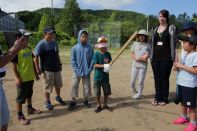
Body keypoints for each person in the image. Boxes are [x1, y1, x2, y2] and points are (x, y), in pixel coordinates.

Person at [12, 29, 41, 125]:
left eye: (28, 38)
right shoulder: (16, 51)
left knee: (29, 94)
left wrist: (36, 73)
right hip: (22, 79)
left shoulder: (28, 49)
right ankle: (20, 115)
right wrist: (17, 78)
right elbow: (14, 67)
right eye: (25, 38)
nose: (28, 40)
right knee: (20, 98)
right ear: (18, 39)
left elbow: (32, 62)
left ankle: (30, 108)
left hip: (30, 77)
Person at [150, 9, 177, 106]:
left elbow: (174, 44)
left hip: (167, 58)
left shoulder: (171, 28)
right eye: (160, 16)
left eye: (163, 16)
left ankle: (164, 98)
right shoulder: (154, 28)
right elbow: (151, 43)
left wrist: (175, 59)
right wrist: (149, 55)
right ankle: (157, 97)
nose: (161, 18)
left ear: (167, 17)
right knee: (157, 78)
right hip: (155, 58)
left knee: (164, 78)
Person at [0, 35, 28, 131]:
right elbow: (2, 62)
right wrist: (16, 48)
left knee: (4, 121)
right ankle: (20, 115)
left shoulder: (28, 49)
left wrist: (15, 47)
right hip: (20, 79)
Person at [34, 26, 65, 110]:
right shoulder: (41, 44)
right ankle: (47, 101)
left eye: (52, 33)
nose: (52, 35)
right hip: (47, 69)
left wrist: (60, 64)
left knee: (58, 84)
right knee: (47, 86)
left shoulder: (54, 43)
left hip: (56, 68)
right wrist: (38, 68)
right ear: (45, 34)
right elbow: (36, 56)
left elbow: (57, 54)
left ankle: (58, 97)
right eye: (50, 33)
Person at [173, 34, 197, 131]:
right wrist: (177, 66)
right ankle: (183, 117)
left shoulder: (195, 55)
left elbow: (195, 71)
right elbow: (182, 67)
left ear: (193, 45)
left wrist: (181, 66)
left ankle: (193, 123)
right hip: (182, 83)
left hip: (189, 85)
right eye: (182, 42)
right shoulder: (187, 54)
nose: (183, 45)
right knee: (183, 102)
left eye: (185, 43)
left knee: (191, 105)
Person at [69, 30, 94, 110]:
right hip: (77, 71)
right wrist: (76, 70)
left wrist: (90, 69)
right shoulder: (74, 48)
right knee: (74, 85)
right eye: (82, 36)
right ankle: (73, 101)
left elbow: (92, 60)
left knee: (86, 86)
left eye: (86, 37)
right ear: (79, 37)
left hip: (87, 71)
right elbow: (73, 60)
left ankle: (86, 100)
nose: (84, 38)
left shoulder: (90, 48)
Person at [174, 21, 197, 105]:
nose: (185, 31)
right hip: (184, 63)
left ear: (192, 29)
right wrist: (178, 62)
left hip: (192, 64)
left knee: (191, 84)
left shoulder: (194, 39)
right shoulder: (185, 37)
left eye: (186, 29)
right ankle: (184, 101)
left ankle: (190, 104)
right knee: (182, 83)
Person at [93, 36, 113, 113]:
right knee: (97, 93)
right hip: (97, 77)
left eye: (105, 43)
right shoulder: (96, 54)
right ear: (99, 45)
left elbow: (110, 62)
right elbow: (95, 65)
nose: (104, 46)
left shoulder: (108, 54)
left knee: (106, 92)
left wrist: (108, 66)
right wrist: (104, 66)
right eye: (102, 43)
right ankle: (99, 105)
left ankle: (105, 105)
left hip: (105, 78)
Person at [130, 29, 150, 99]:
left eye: (143, 36)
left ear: (145, 37)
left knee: (140, 82)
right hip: (134, 65)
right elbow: (132, 53)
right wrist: (135, 58)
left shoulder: (148, 45)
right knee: (132, 82)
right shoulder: (135, 44)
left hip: (143, 66)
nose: (141, 37)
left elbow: (146, 56)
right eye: (140, 36)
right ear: (138, 36)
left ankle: (139, 94)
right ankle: (136, 92)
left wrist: (139, 58)